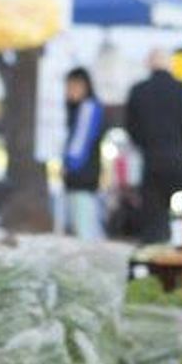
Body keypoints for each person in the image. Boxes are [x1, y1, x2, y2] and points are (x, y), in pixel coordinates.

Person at [122, 49, 182, 244]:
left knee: (154, 224)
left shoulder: (138, 91)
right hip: (179, 160)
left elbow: (131, 128)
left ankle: (155, 267)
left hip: (151, 161)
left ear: (148, 63)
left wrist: (145, 145)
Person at [60, 66, 107, 239]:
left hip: (82, 179)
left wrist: (68, 166)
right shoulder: (80, 109)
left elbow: (79, 144)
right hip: (81, 179)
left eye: (72, 86)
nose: (69, 91)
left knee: (85, 232)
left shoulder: (88, 108)